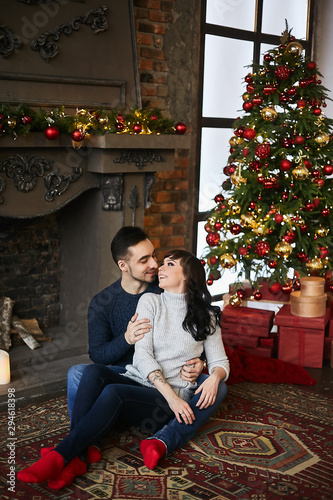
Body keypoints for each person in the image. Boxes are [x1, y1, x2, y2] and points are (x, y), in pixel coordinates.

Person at [18, 249, 229, 488]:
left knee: (114, 392)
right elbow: (142, 355)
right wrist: (173, 398)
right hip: (146, 384)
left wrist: (214, 377)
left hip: (165, 400)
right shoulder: (151, 301)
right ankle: (77, 454)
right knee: (91, 371)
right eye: (163, 263)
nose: (160, 267)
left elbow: (220, 362)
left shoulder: (207, 317)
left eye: (169, 264)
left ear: (188, 276)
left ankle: (64, 455)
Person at [67, 226, 204, 419]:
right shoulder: (102, 302)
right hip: (125, 373)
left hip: (166, 373)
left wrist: (201, 362)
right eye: (144, 260)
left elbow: (199, 326)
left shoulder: (166, 288)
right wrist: (126, 339)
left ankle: (173, 420)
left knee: (211, 382)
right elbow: (97, 355)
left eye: (153, 256)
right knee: (76, 373)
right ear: (123, 265)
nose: (155, 265)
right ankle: (81, 435)